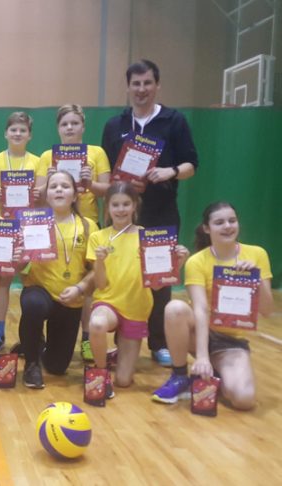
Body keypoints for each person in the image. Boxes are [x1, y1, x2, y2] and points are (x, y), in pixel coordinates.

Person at [101, 59, 198, 367]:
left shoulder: (174, 120)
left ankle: (159, 342)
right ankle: (120, 343)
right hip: (123, 214)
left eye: (147, 83)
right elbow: (107, 171)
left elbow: (191, 164)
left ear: (157, 85)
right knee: (120, 277)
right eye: (136, 84)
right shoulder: (115, 126)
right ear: (128, 87)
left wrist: (171, 171)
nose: (141, 89)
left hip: (160, 213)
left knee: (159, 278)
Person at [152, 202, 273, 409]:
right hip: (201, 333)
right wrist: (202, 357)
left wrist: (257, 278)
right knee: (175, 309)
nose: (227, 226)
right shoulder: (197, 261)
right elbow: (200, 308)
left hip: (231, 343)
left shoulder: (257, 254)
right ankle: (180, 376)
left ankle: (215, 374)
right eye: (219, 222)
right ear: (207, 229)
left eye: (232, 221)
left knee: (244, 400)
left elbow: (267, 311)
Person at [85, 182, 187, 399]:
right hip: (108, 303)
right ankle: (100, 371)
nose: (121, 209)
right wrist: (100, 261)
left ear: (134, 206)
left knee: (123, 381)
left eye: (126, 204)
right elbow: (100, 285)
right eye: (115, 204)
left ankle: (117, 355)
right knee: (97, 323)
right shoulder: (98, 238)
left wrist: (179, 262)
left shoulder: (149, 238)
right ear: (107, 207)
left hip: (137, 309)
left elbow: (157, 285)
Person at [42, 104, 111, 363]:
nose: (69, 128)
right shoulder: (48, 156)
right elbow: (38, 196)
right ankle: (40, 339)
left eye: (74, 123)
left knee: (87, 286)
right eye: (64, 124)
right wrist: (47, 182)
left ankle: (87, 338)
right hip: (54, 226)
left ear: (83, 126)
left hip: (86, 224)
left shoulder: (97, 153)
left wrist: (89, 183)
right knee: (50, 279)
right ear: (58, 128)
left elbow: (108, 190)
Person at [18, 171, 98, 389]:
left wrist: (80, 288)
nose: (59, 189)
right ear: (47, 195)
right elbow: (19, 268)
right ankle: (32, 363)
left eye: (65, 186)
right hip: (39, 289)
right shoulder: (32, 223)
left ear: (75, 195)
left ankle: (37, 345)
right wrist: (19, 258)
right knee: (32, 305)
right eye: (53, 186)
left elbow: (96, 270)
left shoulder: (88, 226)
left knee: (57, 367)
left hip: (71, 298)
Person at [0, 111, 45, 352]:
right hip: (2, 228)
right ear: (5, 133)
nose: (18, 133)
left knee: (33, 283)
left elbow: (42, 199)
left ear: (30, 135)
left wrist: (39, 194)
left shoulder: (38, 161)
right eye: (13, 129)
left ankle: (35, 336)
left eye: (23, 130)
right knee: (3, 282)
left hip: (29, 229)